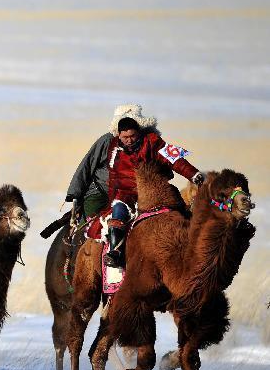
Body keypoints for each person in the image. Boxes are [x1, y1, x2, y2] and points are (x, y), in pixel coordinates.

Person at [67, 104, 203, 267]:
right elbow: (88, 166)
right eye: (125, 137)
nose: (130, 140)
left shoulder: (152, 141)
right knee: (117, 213)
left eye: (132, 136)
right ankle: (115, 252)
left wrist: (193, 174)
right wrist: (75, 194)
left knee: (180, 212)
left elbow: (174, 159)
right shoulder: (111, 146)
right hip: (123, 194)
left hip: (154, 191)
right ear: (119, 134)